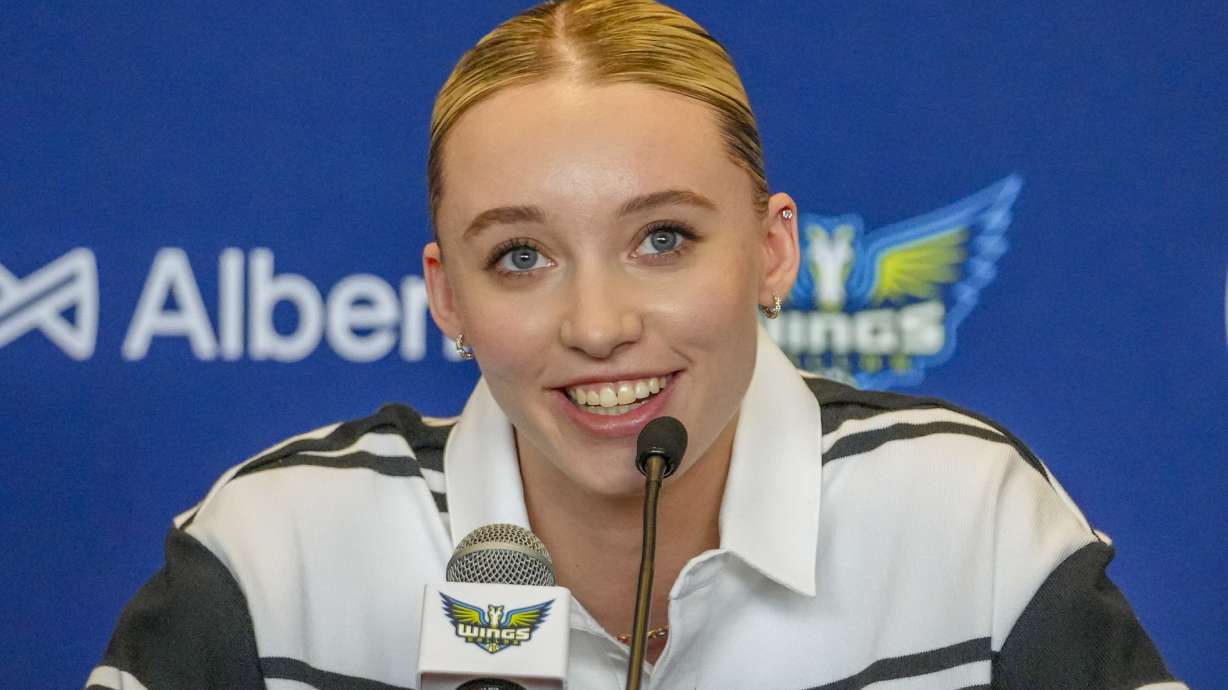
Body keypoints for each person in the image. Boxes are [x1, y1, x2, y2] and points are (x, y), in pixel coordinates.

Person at [86, 1, 1185, 688]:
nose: (599, 324)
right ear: (447, 298)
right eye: (520, 255)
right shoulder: (276, 555)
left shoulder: (968, 518)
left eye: (662, 238)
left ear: (769, 251)